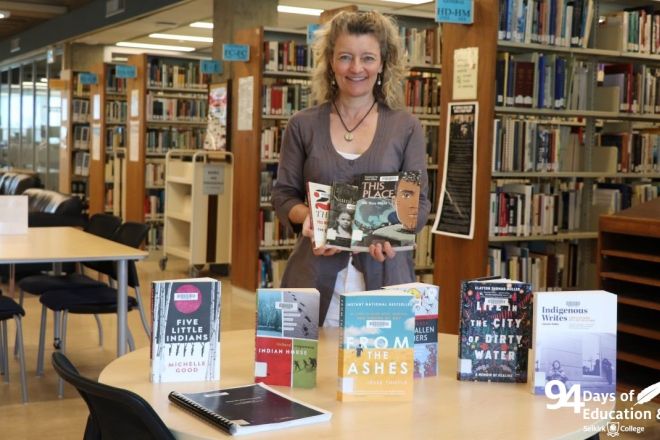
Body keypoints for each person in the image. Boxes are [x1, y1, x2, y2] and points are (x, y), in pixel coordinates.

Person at [271, 10, 430, 326]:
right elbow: (283, 196)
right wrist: (310, 220)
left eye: (368, 58)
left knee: (379, 374)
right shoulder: (302, 125)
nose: (357, 68)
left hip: (386, 279)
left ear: (383, 62)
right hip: (312, 277)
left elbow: (420, 203)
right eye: (345, 57)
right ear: (330, 61)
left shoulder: (406, 127)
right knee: (311, 373)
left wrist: (395, 233)